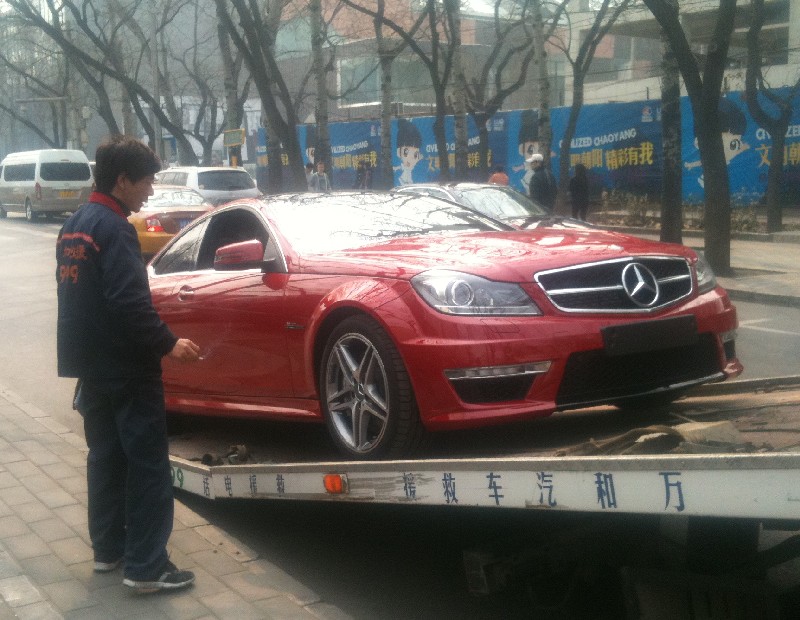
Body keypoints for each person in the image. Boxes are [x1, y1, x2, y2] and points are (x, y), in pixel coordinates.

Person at [56, 135, 200, 594]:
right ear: (122, 180)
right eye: (147, 182)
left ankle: (109, 552)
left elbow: (73, 296)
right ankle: (146, 566)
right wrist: (168, 343)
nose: (151, 191)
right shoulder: (116, 229)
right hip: (128, 367)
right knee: (147, 467)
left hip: (90, 366)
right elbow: (128, 302)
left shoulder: (75, 225)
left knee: (105, 460)